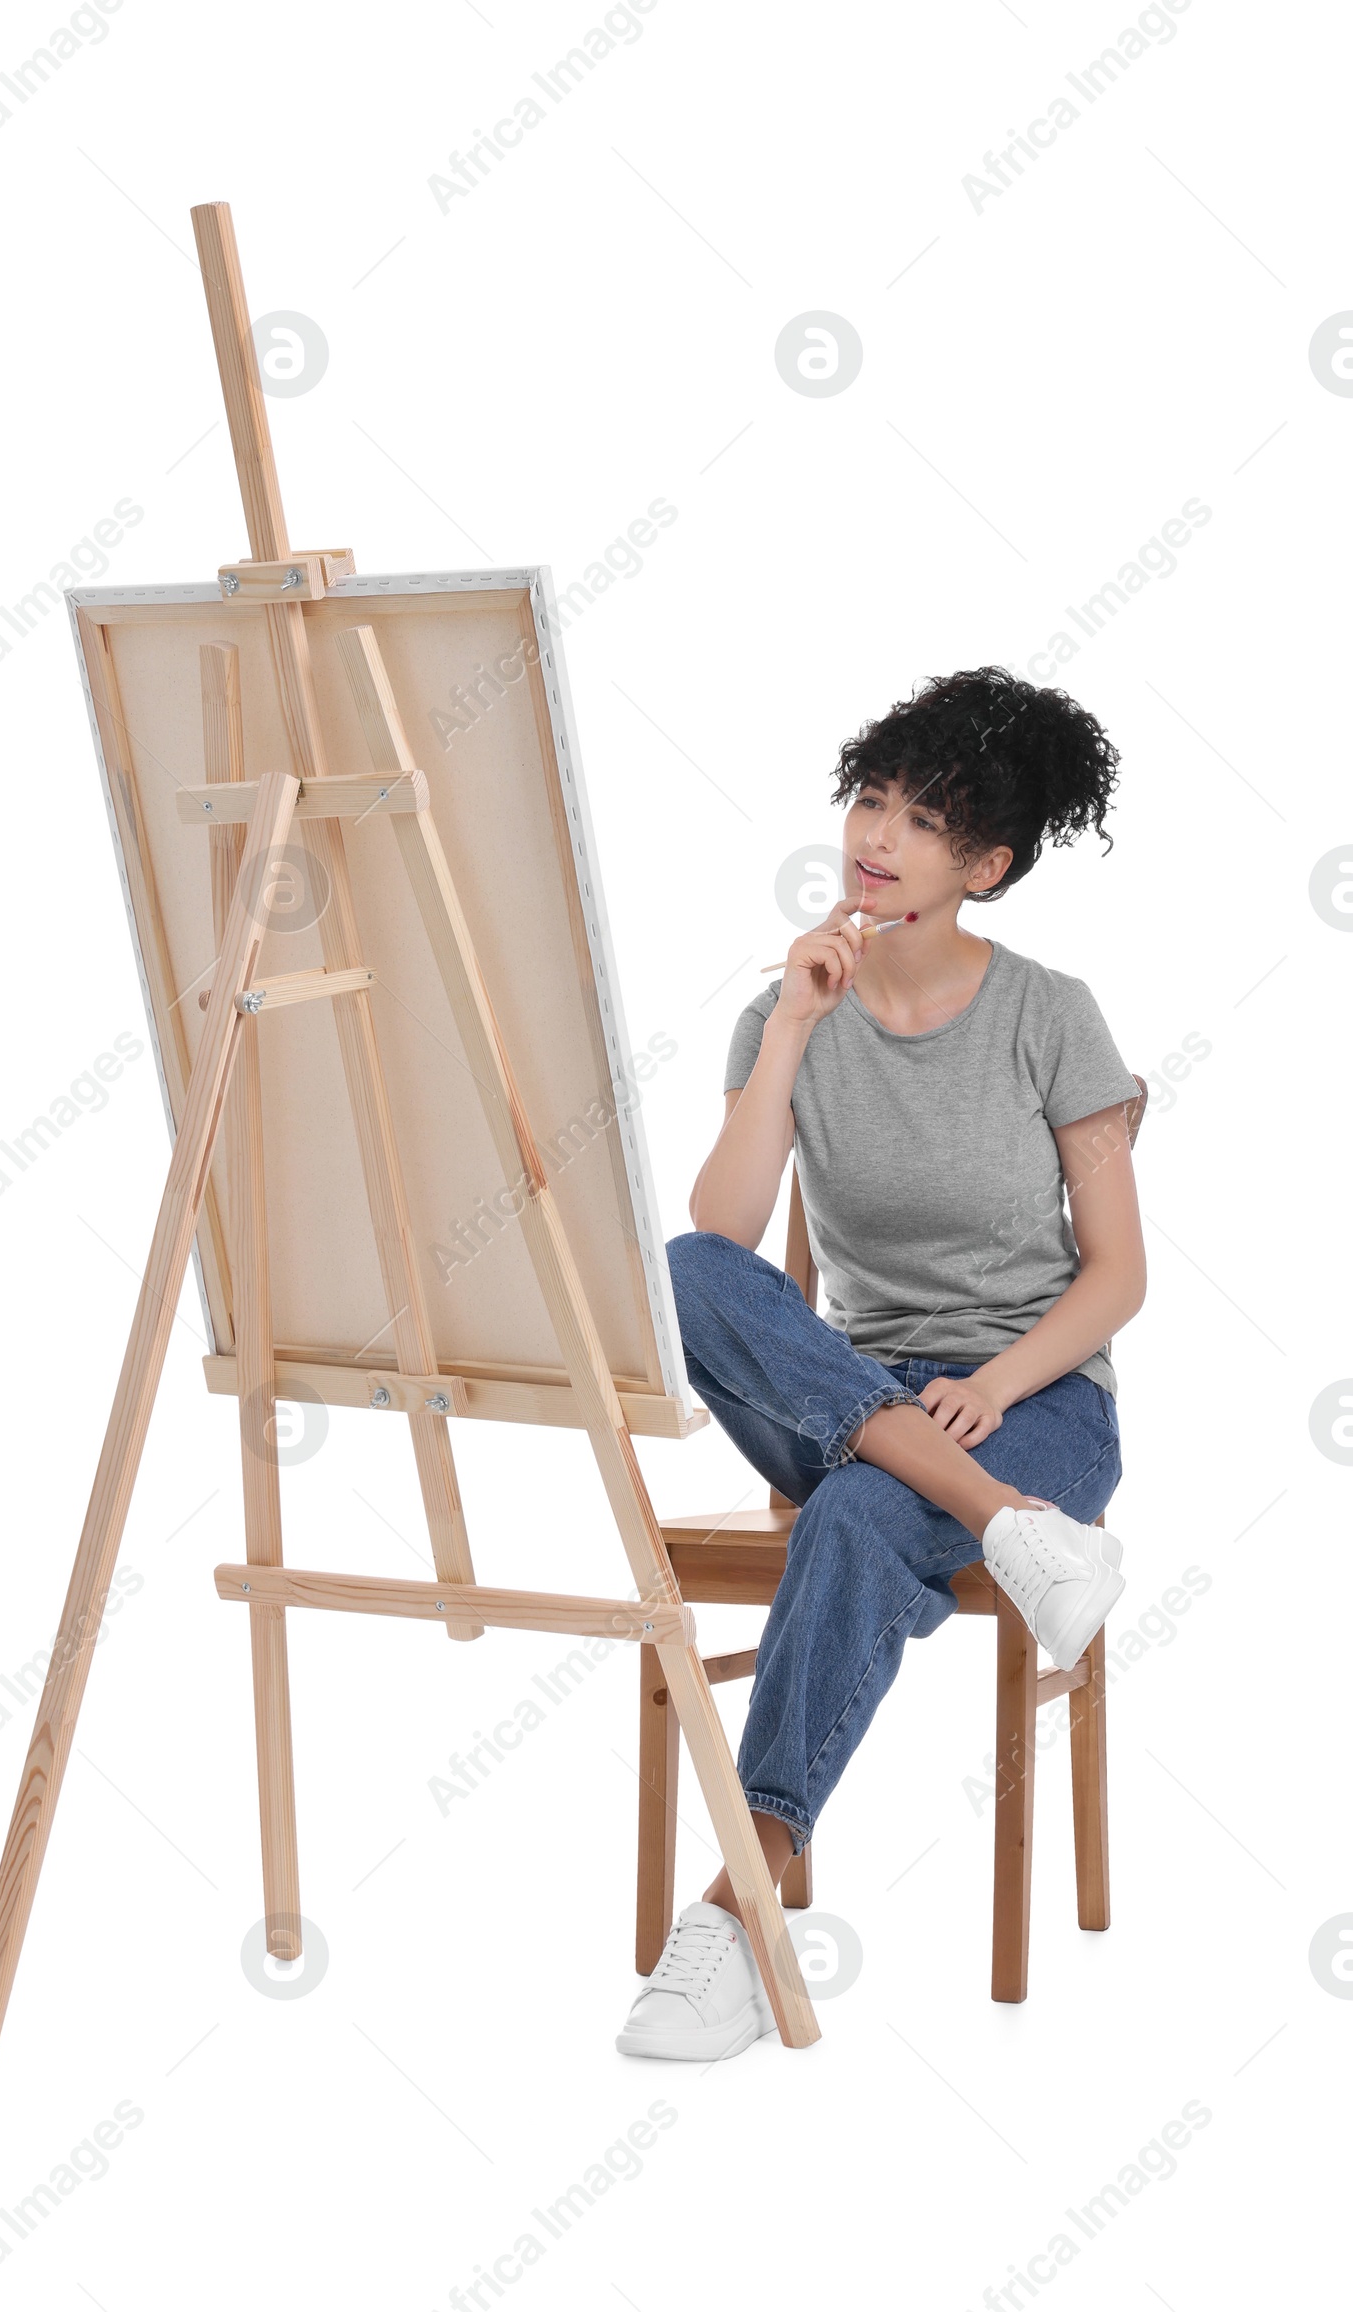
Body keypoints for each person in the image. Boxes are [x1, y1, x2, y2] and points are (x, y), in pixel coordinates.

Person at [616, 666, 1146, 2062]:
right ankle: (1011, 1536)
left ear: (986, 866)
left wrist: (999, 1387)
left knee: (857, 1511)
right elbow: (724, 1242)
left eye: (924, 821)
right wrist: (791, 1023)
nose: (878, 836)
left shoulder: (1053, 1016)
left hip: (1032, 1402)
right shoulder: (789, 1005)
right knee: (682, 1273)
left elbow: (1118, 1277)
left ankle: (741, 1908)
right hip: (849, 1391)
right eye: (872, 799)